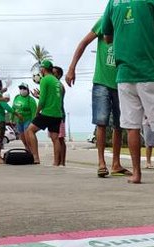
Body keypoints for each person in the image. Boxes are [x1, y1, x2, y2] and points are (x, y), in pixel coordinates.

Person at [102, 0, 154, 184]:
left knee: (132, 125)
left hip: (125, 73)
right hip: (151, 70)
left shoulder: (113, 2)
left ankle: (136, 174)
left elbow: (107, 37)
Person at [66, 16, 129, 178]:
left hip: (121, 81)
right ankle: (101, 163)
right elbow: (84, 43)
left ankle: (116, 163)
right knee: (101, 122)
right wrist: (72, 67)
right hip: (101, 81)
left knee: (119, 124)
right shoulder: (105, 20)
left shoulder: (129, 22)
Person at [25, 59, 63, 165]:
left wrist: (37, 112)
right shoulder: (57, 82)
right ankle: (56, 163)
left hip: (47, 112)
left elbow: (42, 100)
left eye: (41, 68)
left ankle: (35, 157)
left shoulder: (45, 80)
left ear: (43, 69)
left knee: (30, 130)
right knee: (55, 138)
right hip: (57, 113)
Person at [12, 83, 37, 148]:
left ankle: (32, 152)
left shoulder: (30, 100)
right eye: (21, 88)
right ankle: (27, 150)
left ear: (28, 90)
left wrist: (33, 122)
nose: (22, 90)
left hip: (27, 120)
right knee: (23, 139)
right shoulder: (17, 97)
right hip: (19, 121)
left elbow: (34, 112)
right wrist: (11, 119)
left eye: (24, 88)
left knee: (28, 139)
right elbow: (13, 108)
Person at [52, 66, 67, 166]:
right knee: (56, 139)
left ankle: (61, 162)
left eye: (54, 73)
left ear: (59, 75)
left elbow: (56, 100)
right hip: (53, 115)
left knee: (59, 139)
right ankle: (58, 161)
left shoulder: (59, 86)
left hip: (59, 115)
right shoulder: (54, 85)